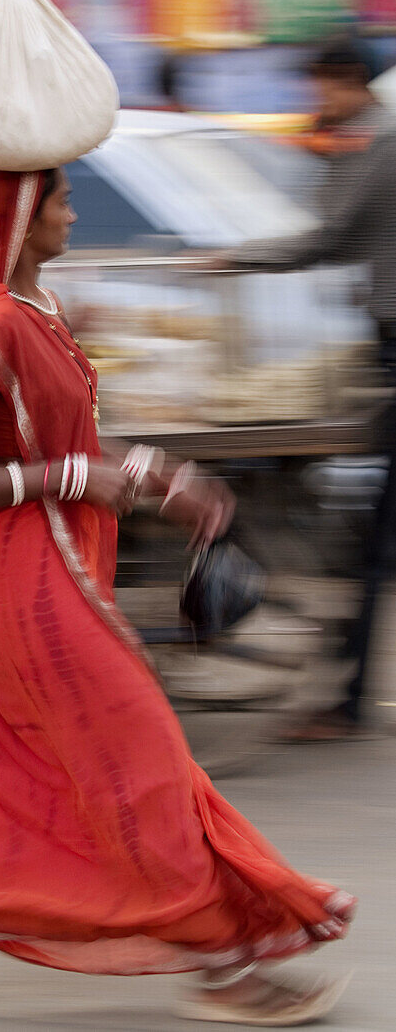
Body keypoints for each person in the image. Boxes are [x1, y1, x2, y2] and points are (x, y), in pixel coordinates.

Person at [0, 167, 355, 1025]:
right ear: (21, 217)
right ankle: (221, 967)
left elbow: (76, 441)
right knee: (141, 766)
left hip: (61, 571)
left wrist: (160, 475)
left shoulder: (43, 314)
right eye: (58, 201)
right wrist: (75, 475)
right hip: (29, 589)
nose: (69, 212)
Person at [202, 39, 396, 742]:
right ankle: (340, 697)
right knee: (375, 535)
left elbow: (328, 237)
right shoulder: (360, 139)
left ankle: (342, 706)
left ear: (344, 81)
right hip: (381, 338)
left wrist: (235, 258)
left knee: (375, 543)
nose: (315, 98)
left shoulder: (375, 141)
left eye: (318, 85)